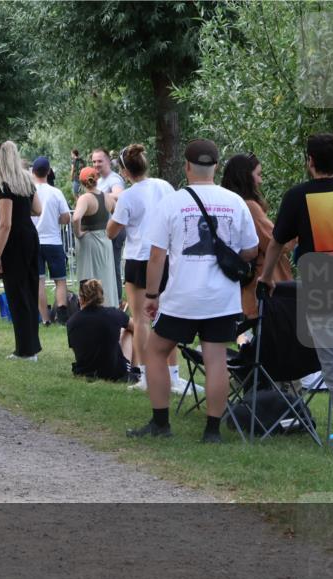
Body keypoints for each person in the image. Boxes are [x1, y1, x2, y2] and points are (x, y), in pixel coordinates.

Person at [129, 139, 258, 443]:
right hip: (221, 298)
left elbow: (157, 255)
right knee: (215, 358)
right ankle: (212, 430)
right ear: (216, 166)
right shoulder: (235, 201)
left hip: (181, 298)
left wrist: (150, 296)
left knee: (156, 351)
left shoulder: (172, 202)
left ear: (186, 167)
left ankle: (160, 423)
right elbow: (251, 249)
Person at [259, 133, 333, 458]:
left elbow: (277, 242)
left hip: (322, 279)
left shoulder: (298, 196)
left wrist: (266, 278)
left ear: (309, 161)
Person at [105, 144, 185, 393]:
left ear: (125, 172)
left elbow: (111, 231)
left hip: (138, 258)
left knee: (141, 320)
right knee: (167, 316)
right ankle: (173, 375)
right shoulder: (164, 186)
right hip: (165, 256)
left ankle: (146, 375)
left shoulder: (128, 196)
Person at [221, 153, 293, 320]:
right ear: (246, 176)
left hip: (243, 285)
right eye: (258, 174)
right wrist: (295, 233)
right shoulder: (250, 207)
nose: (260, 181)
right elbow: (275, 242)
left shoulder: (228, 204)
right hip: (264, 284)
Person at [0, 141, 44, 360]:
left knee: (16, 294)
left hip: (14, 242)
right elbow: (38, 209)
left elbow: (5, 224)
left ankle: (25, 349)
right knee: (30, 291)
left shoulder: (5, 187)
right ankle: (32, 346)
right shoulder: (26, 182)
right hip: (31, 237)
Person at [31, 156, 71, 325]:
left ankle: (45, 319)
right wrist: (57, 221)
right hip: (53, 241)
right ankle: (61, 318)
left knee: (39, 281)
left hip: (34, 241)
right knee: (60, 280)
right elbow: (66, 217)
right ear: (48, 172)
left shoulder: (29, 192)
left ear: (33, 172)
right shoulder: (56, 192)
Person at [67, 279, 134, 380]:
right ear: (101, 296)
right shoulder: (113, 314)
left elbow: (76, 351)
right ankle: (136, 368)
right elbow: (136, 327)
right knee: (128, 331)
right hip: (113, 372)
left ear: (81, 299)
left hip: (85, 371)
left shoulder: (71, 322)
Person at [72, 167, 118, 308]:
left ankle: (90, 309)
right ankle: (108, 306)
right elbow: (117, 214)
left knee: (89, 276)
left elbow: (75, 218)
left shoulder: (85, 198)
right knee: (106, 276)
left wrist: (78, 233)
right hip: (105, 240)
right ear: (97, 180)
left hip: (90, 242)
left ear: (82, 182)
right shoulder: (107, 197)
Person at [92, 147, 127, 299]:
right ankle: (106, 301)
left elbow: (119, 195)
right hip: (103, 231)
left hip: (115, 230)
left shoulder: (114, 179)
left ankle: (117, 303)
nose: (96, 164)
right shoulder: (99, 180)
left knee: (113, 268)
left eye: (100, 161)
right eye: (94, 161)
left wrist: (98, 195)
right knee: (105, 268)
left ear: (108, 161)